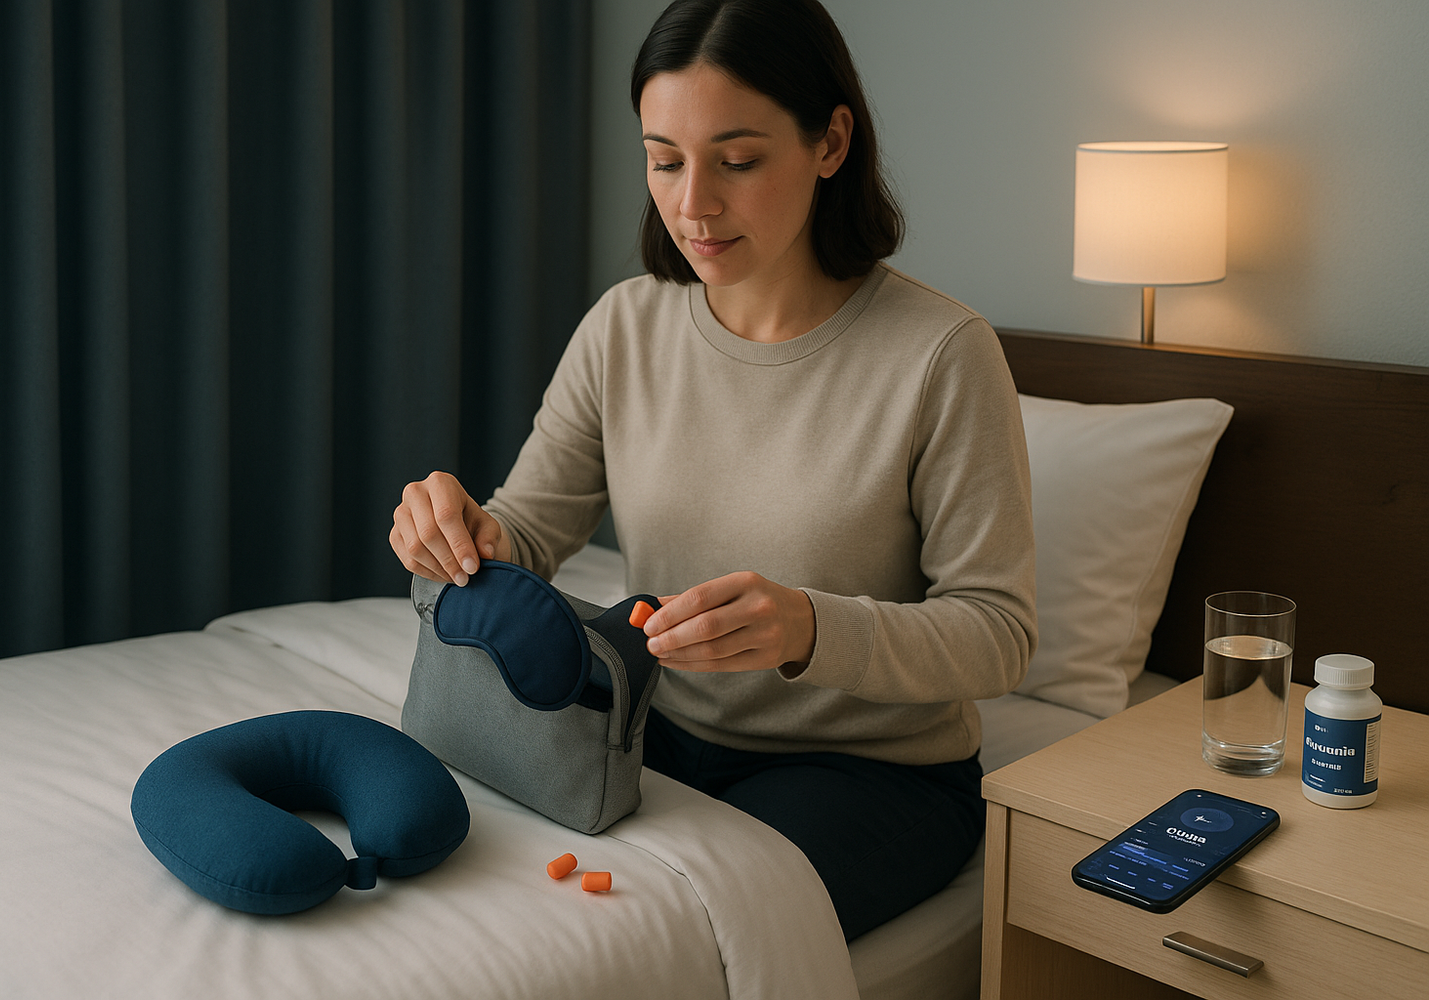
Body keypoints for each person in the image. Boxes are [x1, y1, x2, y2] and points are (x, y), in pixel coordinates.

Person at [389, 0, 1036, 941]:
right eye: (664, 160)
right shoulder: (626, 325)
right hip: (651, 732)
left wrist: (810, 627)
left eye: (737, 161)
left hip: (868, 773)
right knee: (508, 912)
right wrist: (455, 530)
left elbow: (998, 634)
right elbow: (527, 532)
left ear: (830, 141)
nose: (693, 202)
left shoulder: (942, 354)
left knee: (651, 941)